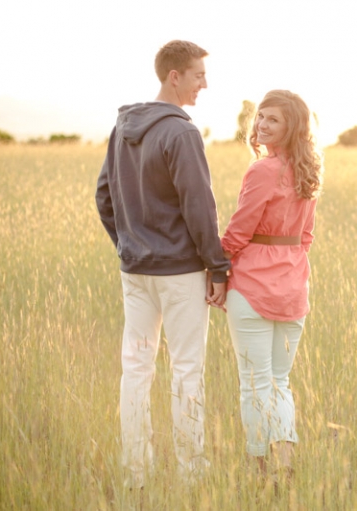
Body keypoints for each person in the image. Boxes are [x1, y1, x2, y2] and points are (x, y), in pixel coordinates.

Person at [95, 40, 230, 489]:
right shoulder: (183, 132)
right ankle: (192, 473)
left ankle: (136, 471)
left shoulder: (122, 127)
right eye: (198, 75)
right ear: (175, 76)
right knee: (187, 368)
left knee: (135, 369)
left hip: (135, 271)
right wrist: (217, 267)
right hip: (179, 273)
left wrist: (129, 244)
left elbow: (104, 196)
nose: (204, 84)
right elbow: (199, 206)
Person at [220, 90, 323, 482]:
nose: (261, 124)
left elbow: (239, 230)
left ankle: (259, 467)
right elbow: (306, 236)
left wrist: (219, 266)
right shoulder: (309, 169)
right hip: (294, 287)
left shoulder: (262, 170)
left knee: (254, 384)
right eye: (260, 117)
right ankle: (283, 463)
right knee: (279, 381)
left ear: (290, 127)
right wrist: (289, 264)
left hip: (252, 287)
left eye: (272, 120)